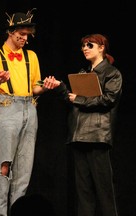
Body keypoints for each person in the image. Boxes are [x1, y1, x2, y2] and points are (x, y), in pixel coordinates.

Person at [0, 9, 58, 216]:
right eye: (21, 34)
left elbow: (35, 87)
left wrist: (46, 87)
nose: (25, 39)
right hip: (7, 108)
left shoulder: (31, 56)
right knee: (4, 166)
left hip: (29, 108)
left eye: (27, 35)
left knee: (24, 168)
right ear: (10, 31)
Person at [52, 33, 121, 216]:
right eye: (83, 46)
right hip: (79, 135)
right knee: (83, 192)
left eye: (89, 45)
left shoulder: (112, 73)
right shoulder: (84, 73)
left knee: (104, 190)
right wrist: (61, 88)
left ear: (101, 48)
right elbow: (73, 101)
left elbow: (109, 99)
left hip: (98, 136)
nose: (85, 48)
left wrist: (80, 99)